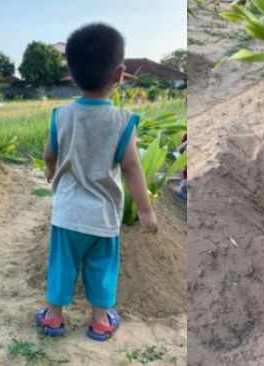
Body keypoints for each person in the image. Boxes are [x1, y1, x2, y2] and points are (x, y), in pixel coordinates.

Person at [36, 23, 158, 339]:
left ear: (72, 75)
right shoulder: (121, 121)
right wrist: (145, 211)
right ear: (119, 75)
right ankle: (101, 321)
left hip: (67, 214)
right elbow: (132, 167)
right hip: (103, 217)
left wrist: (51, 171)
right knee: (102, 267)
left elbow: (49, 152)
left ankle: (53, 317)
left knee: (62, 265)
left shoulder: (60, 116)